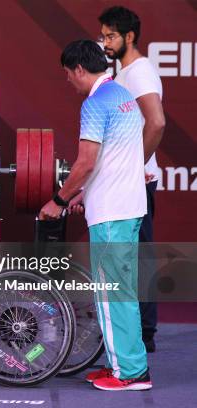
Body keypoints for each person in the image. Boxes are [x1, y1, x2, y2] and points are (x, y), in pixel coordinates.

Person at [39, 40, 150, 391]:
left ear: (79, 70)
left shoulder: (94, 103)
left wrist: (59, 198)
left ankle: (130, 373)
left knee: (113, 293)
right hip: (125, 208)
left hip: (113, 213)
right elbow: (115, 158)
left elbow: (86, 161)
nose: (69, 81)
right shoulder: (123, 97)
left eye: (68, 75)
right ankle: (124, 365)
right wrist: (87, 192)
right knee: (119, 292)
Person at [99, 5, 165, 353]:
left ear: (130, 36)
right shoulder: (124, 73)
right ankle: (138, 331)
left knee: (137, 258)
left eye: (110, 36)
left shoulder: (138, 73)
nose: (105, 42)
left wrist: (133, 167)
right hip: (129, 180)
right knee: (130, 257)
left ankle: (144, 333)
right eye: (103, 35)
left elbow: (157, 123)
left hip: (137, 181)